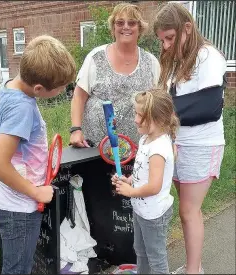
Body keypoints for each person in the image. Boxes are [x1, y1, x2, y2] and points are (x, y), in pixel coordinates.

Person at [0, 35, 76, 274]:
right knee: (18, 270)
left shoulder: (6, 87)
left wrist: (14, 155)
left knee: (12, 265)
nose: (65, 90)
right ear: (38, 89)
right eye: (61, 87)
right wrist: (35, 192)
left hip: (4, 199)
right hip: (18, 207)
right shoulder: (23, 107)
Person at [153, 2, 226, 274]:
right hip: (176, 144)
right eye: (162, 40)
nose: (166, 46)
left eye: (170, 38)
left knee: (189, 211)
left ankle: (193, 271)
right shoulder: (175, 63)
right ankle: (193, 266)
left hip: (201, 145)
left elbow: (207, 107)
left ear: (187, 28)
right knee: (186, 212)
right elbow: (170, 103)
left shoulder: (207, 56)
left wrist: (161, 114)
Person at [70, 2, 160, 148]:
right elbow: (79, 97)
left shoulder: (151, 62)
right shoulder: (96, 57)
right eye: (120, 23)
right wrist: (75, 129)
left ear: (140, 28)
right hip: (95, 149)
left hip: (138, 150)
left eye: (132, 23)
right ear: (113, 27)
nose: (126, 27)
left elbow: (159, 105)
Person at [112, 89, 180, 274]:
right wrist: (128, 180)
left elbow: (154, 186)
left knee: (156, 258)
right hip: (141, 209)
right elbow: (142, 172)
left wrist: (130, 192)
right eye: (136, 113)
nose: (135, 119)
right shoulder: (145, 139)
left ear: (158, 119)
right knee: (140, 251)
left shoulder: (158, 149)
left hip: (154, 215)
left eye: (140, 115)